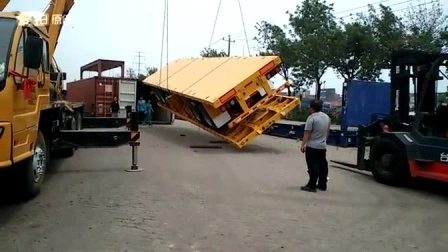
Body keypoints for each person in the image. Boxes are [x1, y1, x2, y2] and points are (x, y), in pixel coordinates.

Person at [299, 99, 331, 192]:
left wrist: (303, 144)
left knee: (313, 166)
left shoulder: (311, 118)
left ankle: (311, 185)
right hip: (322, 146)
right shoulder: (327, 117)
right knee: (323, 165)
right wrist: (324, 141)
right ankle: (322, 184)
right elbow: (327, 131)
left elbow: (307, 132)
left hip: (312, 146)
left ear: (311, 108)